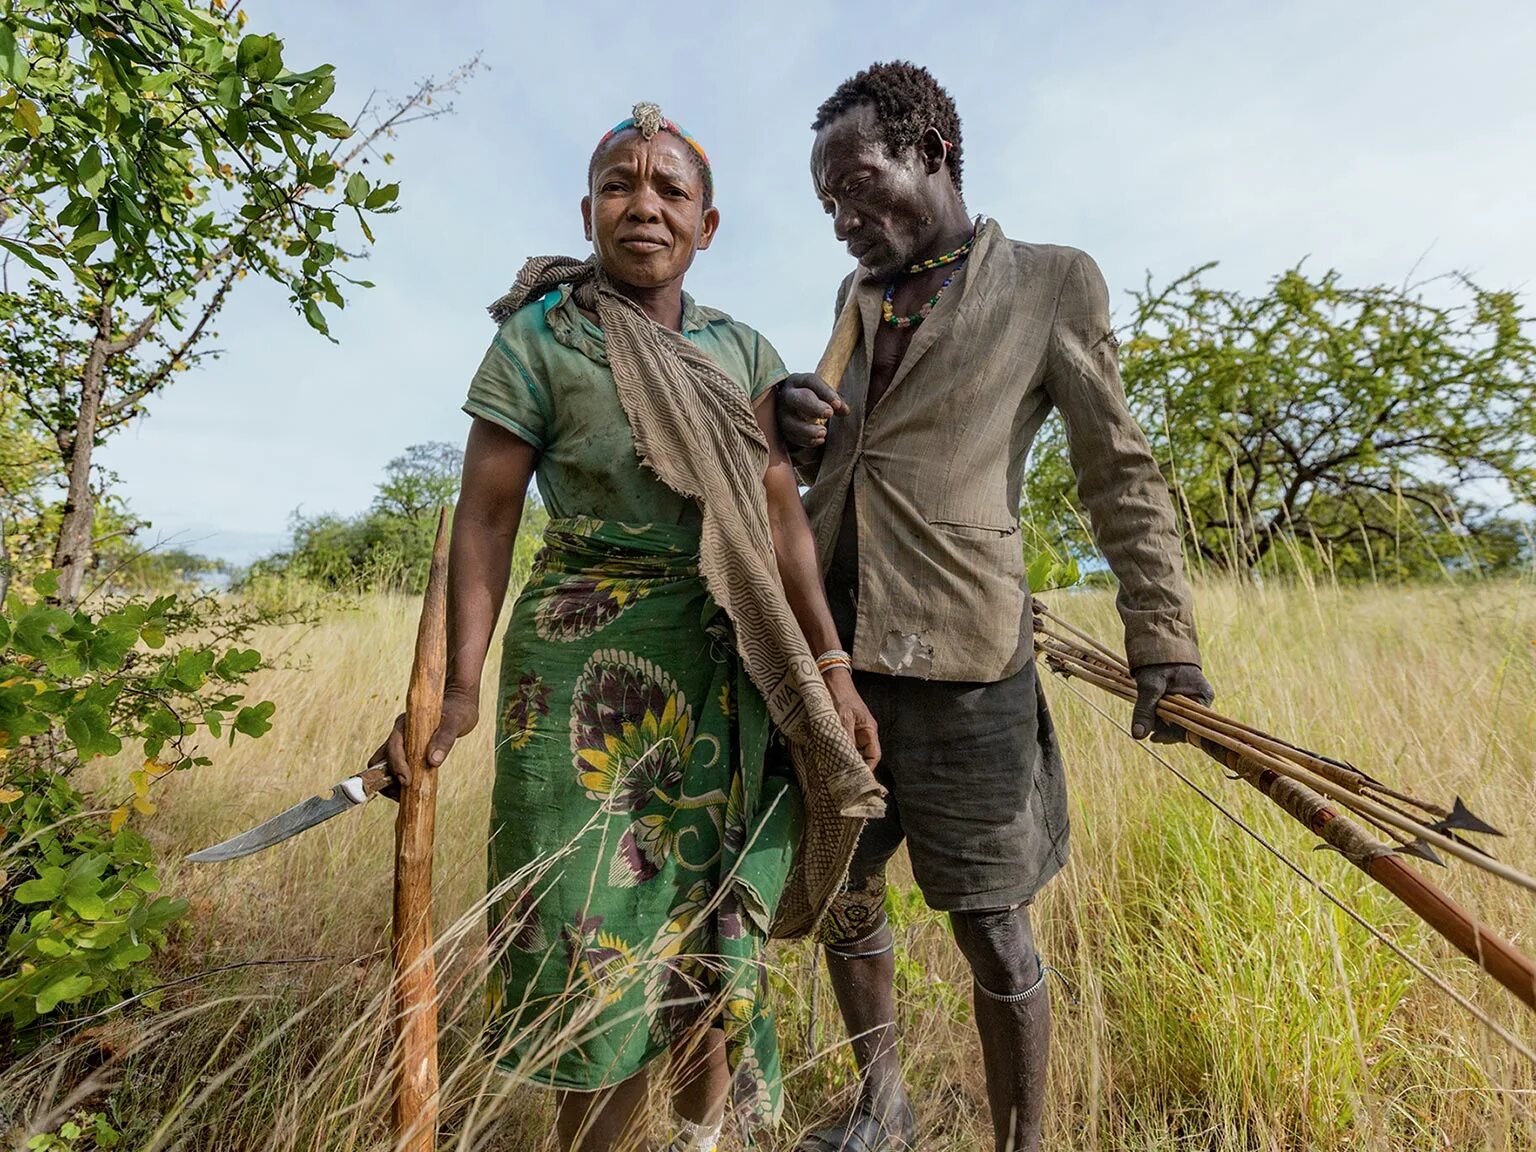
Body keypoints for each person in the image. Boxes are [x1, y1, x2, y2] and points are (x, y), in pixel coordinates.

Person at [371, 103, 884, 1152]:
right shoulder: (540, 338)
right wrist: (459, 689)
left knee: (708, 930)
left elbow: (779, 518)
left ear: (708, 224)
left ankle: (699, 1141)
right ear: (588, 209)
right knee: (584, 935)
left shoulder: (738, 350)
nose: (642, 205)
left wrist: (829, 669)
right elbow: (486, 520)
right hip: (572, 683)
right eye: (619, 184)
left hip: (724, 664)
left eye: (669, 190)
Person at [775, 64, 1216, 1152]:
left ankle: (1023, 1142)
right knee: (841, 890)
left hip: (967, 657)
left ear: (930, 149)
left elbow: (1119, 469)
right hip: (832, 650)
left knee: (992, 926)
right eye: (826, 202)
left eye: (858, 185)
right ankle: (884, 1103)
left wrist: (1161, 637)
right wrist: (790, 422)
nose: (843, 218)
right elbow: (842, 457)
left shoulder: (1052, 282)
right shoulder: (857, 300)